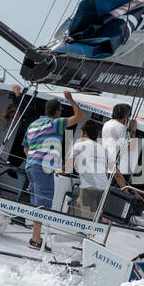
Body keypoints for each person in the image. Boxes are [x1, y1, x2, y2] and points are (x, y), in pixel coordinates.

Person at [23, 91, 86, 250]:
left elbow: (25, 147)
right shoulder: (54, 123)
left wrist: (35, 159)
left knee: (37, 203)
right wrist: (70, 99)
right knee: (43, 206)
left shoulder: (33, 124)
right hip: (43, 169)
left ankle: (35, 237)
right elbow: (80, 116)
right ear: (57, 112)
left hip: (30, 166)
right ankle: (36, 239)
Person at [67, 119, 106, 219]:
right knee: (79, 202)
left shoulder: (79, 145)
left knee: (89, 219)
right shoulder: (102, 148)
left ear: (84, 133)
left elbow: (69, 167)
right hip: (103, 187)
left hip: (90, 187)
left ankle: (89, 233)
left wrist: (61, 170)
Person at [101, 103, 136, 191]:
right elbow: (131, 148)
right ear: (125, 115)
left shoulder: (107, 124)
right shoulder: (120, 128)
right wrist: (133, 131)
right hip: (114, 169)